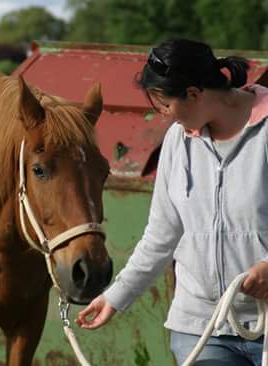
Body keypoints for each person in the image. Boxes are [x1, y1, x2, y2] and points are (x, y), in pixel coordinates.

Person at [76, 38, 268, 366]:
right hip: (200, 328)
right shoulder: (177, 143)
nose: (164, 114)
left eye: (165, 104)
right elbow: (161, 237)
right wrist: (115, 297)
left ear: (194, 93)